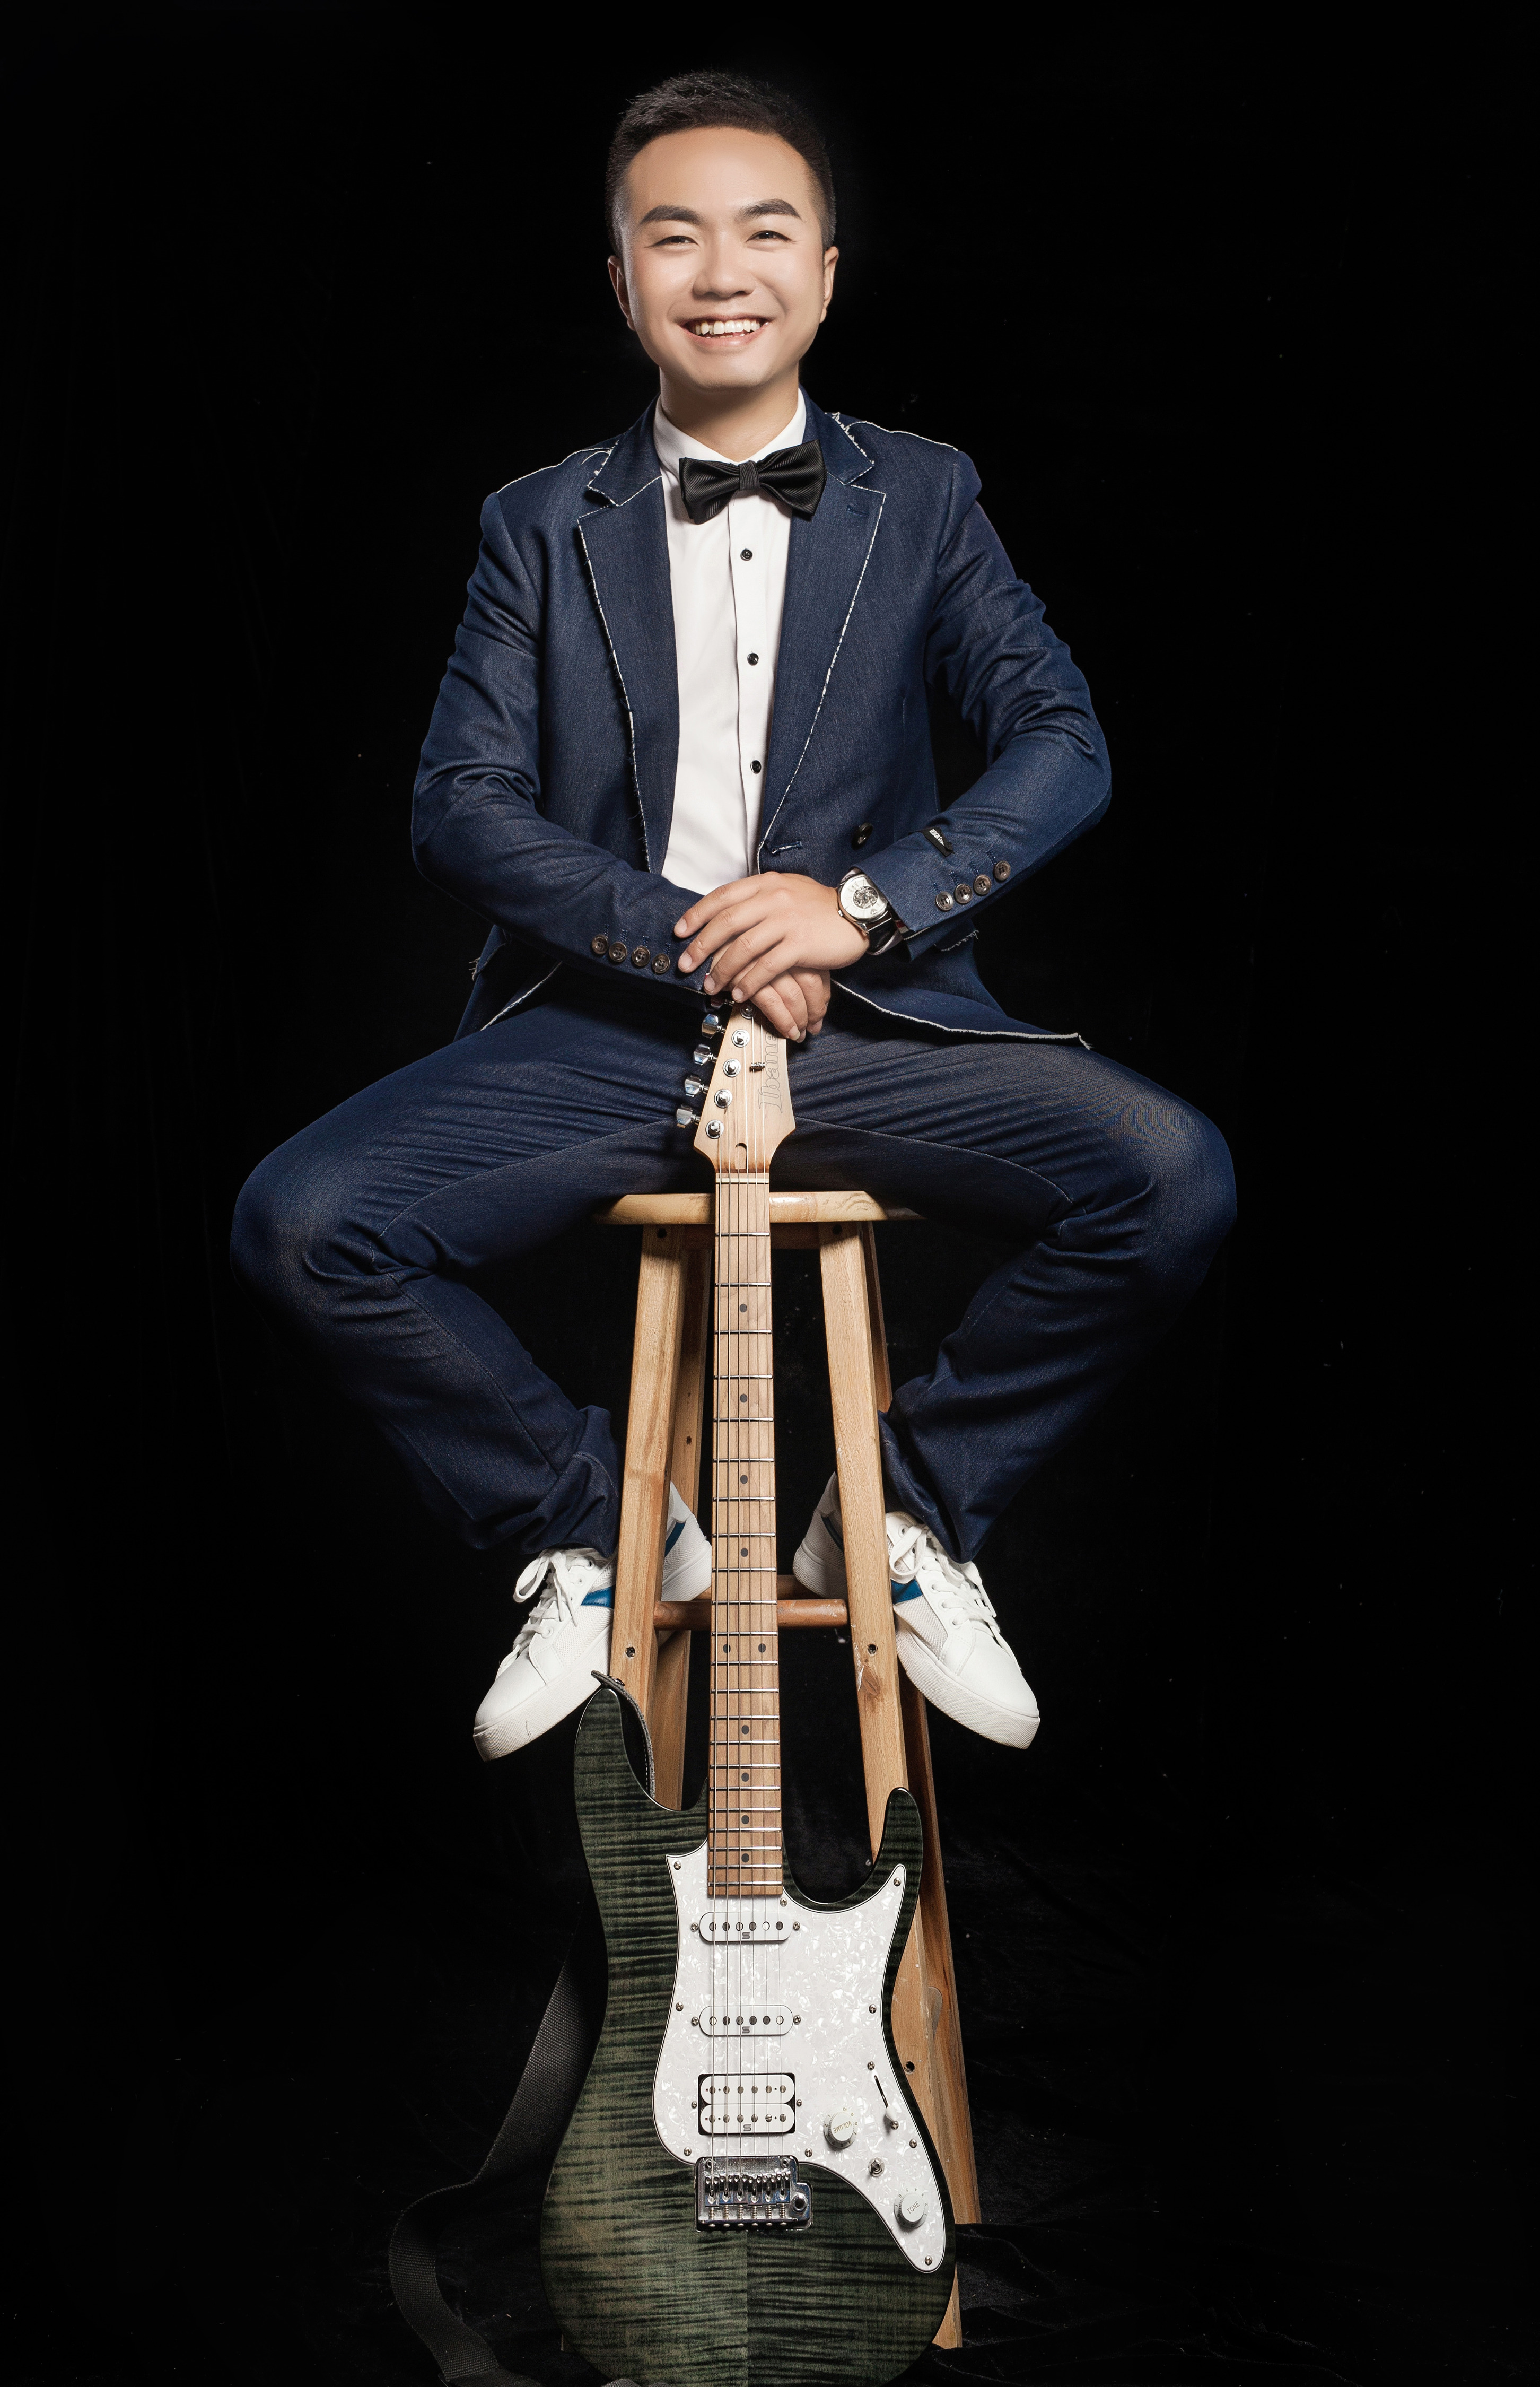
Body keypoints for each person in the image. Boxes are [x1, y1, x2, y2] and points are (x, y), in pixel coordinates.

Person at [231, 70, 1236, 1765]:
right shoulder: (535, 524)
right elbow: (460, 808)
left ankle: (904, 1516)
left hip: (868, 1028)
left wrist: (859, 908)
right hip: (606, 1028)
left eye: (764, 233)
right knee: (304, 1218)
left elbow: (1063, 743)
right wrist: (699, 932)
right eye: (673, 236)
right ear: (622, 280)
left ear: (824, 275)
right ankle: (588, 1526)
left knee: (1170, 1175)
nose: (720, 273)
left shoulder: (927, 496)